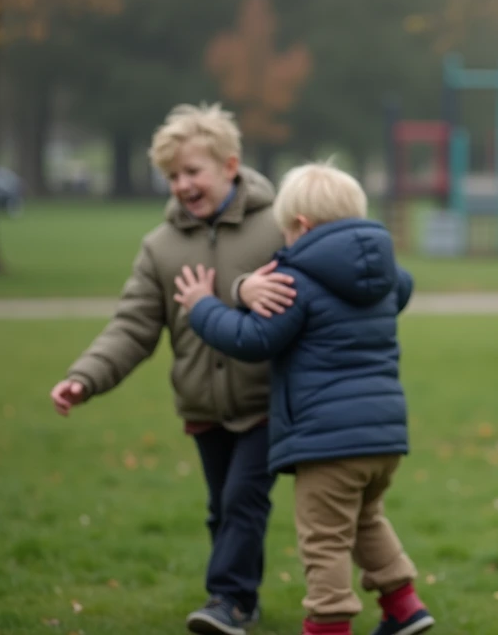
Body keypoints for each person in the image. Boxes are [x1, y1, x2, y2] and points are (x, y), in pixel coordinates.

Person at [48, 103, 291, 635]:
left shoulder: (276, 227)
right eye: (173, 175)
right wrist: (85, 376)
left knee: (241, 502)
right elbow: (132, 326)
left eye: (192, 171)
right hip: (203, 404)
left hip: (266, 401)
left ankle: (226, 600)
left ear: (230, 165)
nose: (181, 185)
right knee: (221, 508)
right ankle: (243, 600)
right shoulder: (160, 247)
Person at [173, 162, 433, 635]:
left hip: (327, 442)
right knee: (365, 519)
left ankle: (328, 623)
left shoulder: (295, 281)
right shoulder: (385, 274)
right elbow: (404, 289)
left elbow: (252, 339)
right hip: (385, 437)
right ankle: (405, 607)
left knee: (324, 539)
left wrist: (203, 306)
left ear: (302, 227)